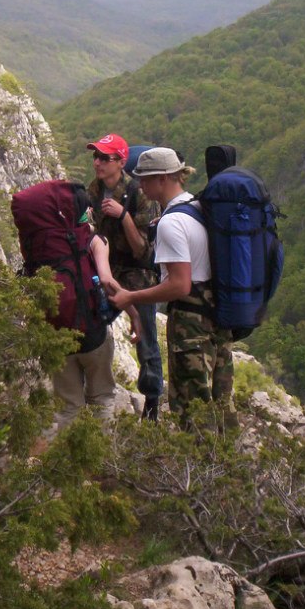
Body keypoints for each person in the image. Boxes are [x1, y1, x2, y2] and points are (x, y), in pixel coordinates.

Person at [107, 147, 235, 429]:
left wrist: (131, 296)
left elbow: (179, 284)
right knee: (221, 405)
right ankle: (223, 456)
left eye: (145, 178)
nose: (140, 184)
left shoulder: (171, 222)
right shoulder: (197, 206)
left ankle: (197, 457)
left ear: (163, 178)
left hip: (191, 325)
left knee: (192, 409)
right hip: (217, 316)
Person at [11, 179, 140, 438]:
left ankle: (71, 458)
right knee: (102, 397)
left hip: (57, 337)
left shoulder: (39, 245)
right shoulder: (94, 241)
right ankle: (102, 456)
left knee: (68, 406)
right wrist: (135, 315)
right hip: (92, 334)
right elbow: (108, 282)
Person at [86, 133, 164, 421]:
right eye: (95, 156)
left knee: (146, 340)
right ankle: (91, 391)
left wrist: (123, 216)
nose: (97, 162)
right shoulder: (93, 190)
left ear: (121, 162)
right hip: (106, 270)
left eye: (104, 158)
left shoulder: (139, 193)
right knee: (90, 324)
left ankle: (152, 405)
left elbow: (142, 250)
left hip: (137, 272)